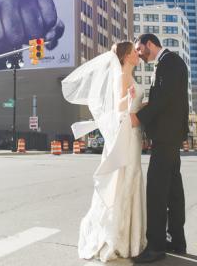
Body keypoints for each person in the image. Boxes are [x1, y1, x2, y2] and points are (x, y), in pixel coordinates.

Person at [61, 42, 147, 262]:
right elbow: (118, 107)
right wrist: (130, 100)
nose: (138, 55)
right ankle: (117, 238)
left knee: (131, 176)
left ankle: (131, 235)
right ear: (127, 56)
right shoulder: (121, 76)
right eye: (134, 52)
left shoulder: (127, 74)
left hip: (133, 132)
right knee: (124, 179)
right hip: (125, 133)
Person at [131, 33, 190, 263]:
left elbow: (164, 99)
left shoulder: (170, 62)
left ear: (149, 44)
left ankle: (155, 246)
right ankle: (177, 240)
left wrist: (140, 117)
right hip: (169, 136)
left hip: (167, 137)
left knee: (156, 190)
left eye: (139, 49)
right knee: (173, 189)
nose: (138, 53)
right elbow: (166, 98)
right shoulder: (166, 64)